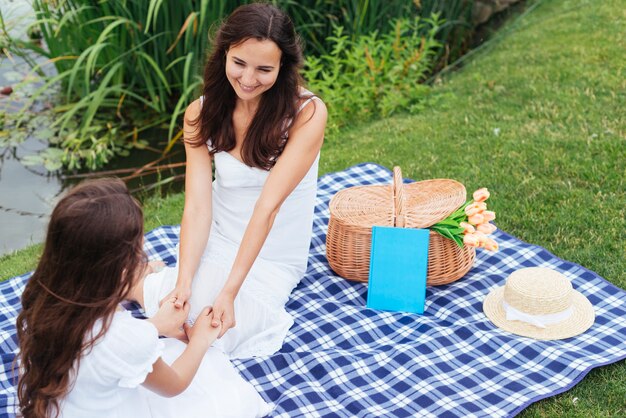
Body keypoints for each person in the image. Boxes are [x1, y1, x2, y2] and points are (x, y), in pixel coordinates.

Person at [142, 3, 327, 358]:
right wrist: (183, 280)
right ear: (225, 53)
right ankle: (142, 279)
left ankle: (145, 278)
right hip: (219, 235)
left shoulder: (308, 114)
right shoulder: (200, 112)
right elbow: (197, 207)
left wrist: (229, 291)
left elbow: (267, 208)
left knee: (226, 329)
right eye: (239, 63)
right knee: (179, 307)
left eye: (264, 69)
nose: (248, 78)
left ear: (283, 67)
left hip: (272, 253)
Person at [15, 178, 270, 418]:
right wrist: (201, 340)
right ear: (116, 269)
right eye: (138, 252)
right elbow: (174, 384)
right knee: (228, 396)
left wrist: (157, 325)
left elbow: (95, 349)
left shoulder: (43, 298)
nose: (143, 255)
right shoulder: (122, 336)